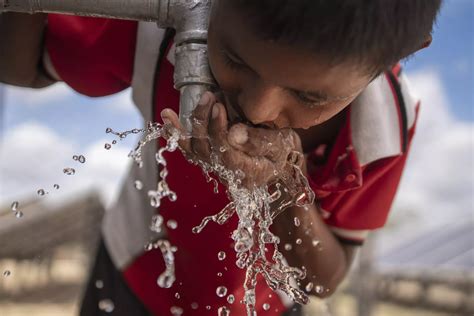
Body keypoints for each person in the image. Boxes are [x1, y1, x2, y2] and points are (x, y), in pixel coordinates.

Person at [0, 0, 442, 315]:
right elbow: (21, 63)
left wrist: (283, 188)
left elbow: (321, 281)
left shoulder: (383, 128)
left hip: (268, 306)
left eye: (309, 96)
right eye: (235, 58)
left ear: (397, 56)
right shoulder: (165, 24)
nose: (257, 109)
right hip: (132, 277)